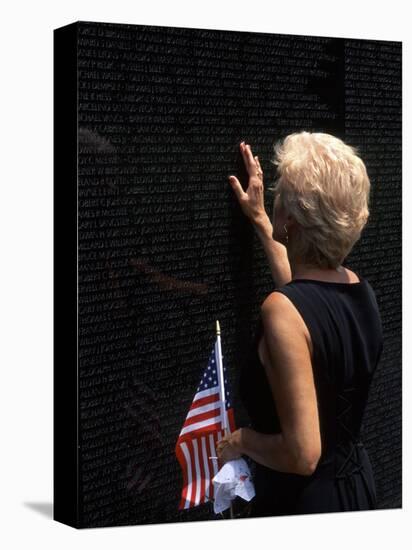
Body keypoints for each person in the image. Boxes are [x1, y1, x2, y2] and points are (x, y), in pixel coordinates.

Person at [216, 132, 384, 516]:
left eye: (280, 193)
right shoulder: (362, 292)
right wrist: (261, 219)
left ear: (291, 218)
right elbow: (302, 298)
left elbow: (302, 454)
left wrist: (240, 441)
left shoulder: (281, 310)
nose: (274, 196)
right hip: (357, 490)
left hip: (303, 506)